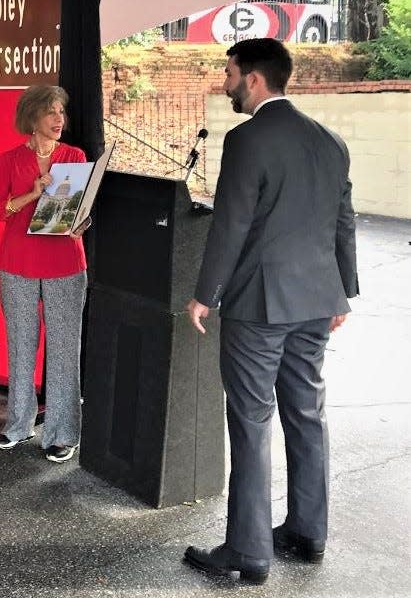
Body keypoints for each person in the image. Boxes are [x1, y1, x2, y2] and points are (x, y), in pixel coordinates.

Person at [183, 38, 359, 584]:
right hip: (316, 302)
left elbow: (231, 222)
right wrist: (343, 292)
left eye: (230, 73)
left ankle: (248, 551)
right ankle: (308, 534)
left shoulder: (247, 139)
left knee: (252, 419)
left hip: (259, 306)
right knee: (306, 414)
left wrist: (204, 293)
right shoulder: (329, 141)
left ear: (254, 80)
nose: (226, 82)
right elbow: (342, 220)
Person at [0, 85, 91, 464]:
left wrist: (82, 222)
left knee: (64, 353)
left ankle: (62, 434)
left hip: (65, 265)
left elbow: (82, 208)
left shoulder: (75, 157)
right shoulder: (10, 159)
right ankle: (18, 424)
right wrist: (33, 193)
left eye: (61, 112)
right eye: (50, 112)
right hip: (17, 266)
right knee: (21, 347)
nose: (59, 119)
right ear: (32, 118)